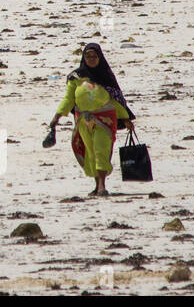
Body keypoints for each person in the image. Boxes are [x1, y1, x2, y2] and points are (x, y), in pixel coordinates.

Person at [48, 43, 135, 197]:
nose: (91, 59)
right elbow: (69, 99)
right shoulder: (75, 77)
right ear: (83, 58)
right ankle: (96, 185)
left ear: (100, 57)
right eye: (88, 56)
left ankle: (102, 185)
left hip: (105, 119)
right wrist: (57, 117)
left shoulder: (106, 77)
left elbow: (115, 100)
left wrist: (126, 118)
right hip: (83, 120)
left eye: (94, 56)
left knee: (101, 150)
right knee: (90, 152)